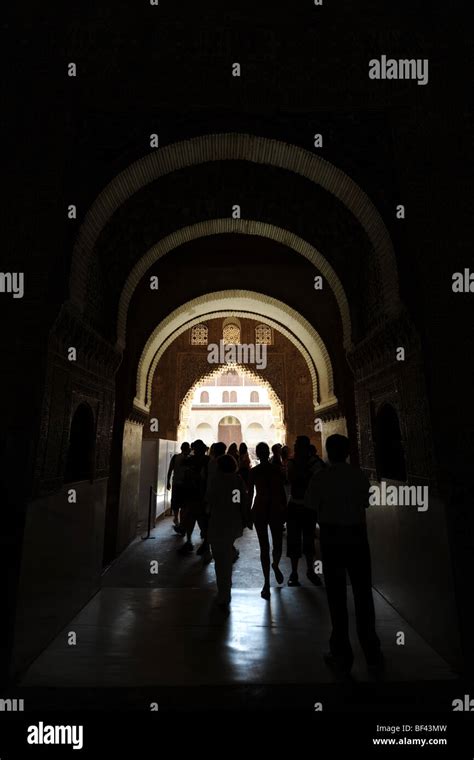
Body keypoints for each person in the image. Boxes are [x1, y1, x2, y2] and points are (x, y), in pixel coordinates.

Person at [305, 434, 383, 675]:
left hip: (332, 539)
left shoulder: (321, 477)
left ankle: (341, 653)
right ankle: (372, 653)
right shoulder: (358, 475)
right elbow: (367, 503)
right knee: (362, 593)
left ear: (328, 451)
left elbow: (310, 505)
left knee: (336, 595)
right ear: (348, 452)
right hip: (357, 538)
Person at [206, 454, 250, 608]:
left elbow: (209, 500)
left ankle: (223, 592)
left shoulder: (215, 481)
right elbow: (242, 502)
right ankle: (226, 590)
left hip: (218, 522)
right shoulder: (237, 480)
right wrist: (245, 519)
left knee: (219, 559)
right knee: (225, 556)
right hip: (232, 522)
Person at [248, 442, 287, 599]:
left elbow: (250, 493)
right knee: (277, 543)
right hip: (275, 507)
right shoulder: (276, 470)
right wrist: (284, 508)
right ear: (269, 453)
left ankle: (266, 583)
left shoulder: (254, 472)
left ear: (257, 454)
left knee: (264, 546)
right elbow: (281, 491)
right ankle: (276, 565)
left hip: (260, 508)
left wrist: (248, 513)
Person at [286, 435, 324, 586]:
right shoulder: (314, 464)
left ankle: (298, 573)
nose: (295, 448)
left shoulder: (293, 463)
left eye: (297, 446)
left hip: (299, 505)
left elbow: (293, 479)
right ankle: (305, 572)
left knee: (303, 539)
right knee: (301, 539)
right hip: (304, 506)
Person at [178, 439, 209, 555]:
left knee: (193, 519)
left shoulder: (191, 460)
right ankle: (203, 544)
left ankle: (191, 542)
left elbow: (184, 470)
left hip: (194, 495)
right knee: (200, 520)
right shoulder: (207, 460)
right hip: (201, 495)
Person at [166, 442, 191, 533]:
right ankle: (179, 519)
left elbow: (170, 470)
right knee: (182, 503)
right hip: (184, 484)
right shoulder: (189, 458)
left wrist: (168, 481)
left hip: (177, 483)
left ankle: (177, 518)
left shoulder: (176, 457)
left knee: (176, 502)